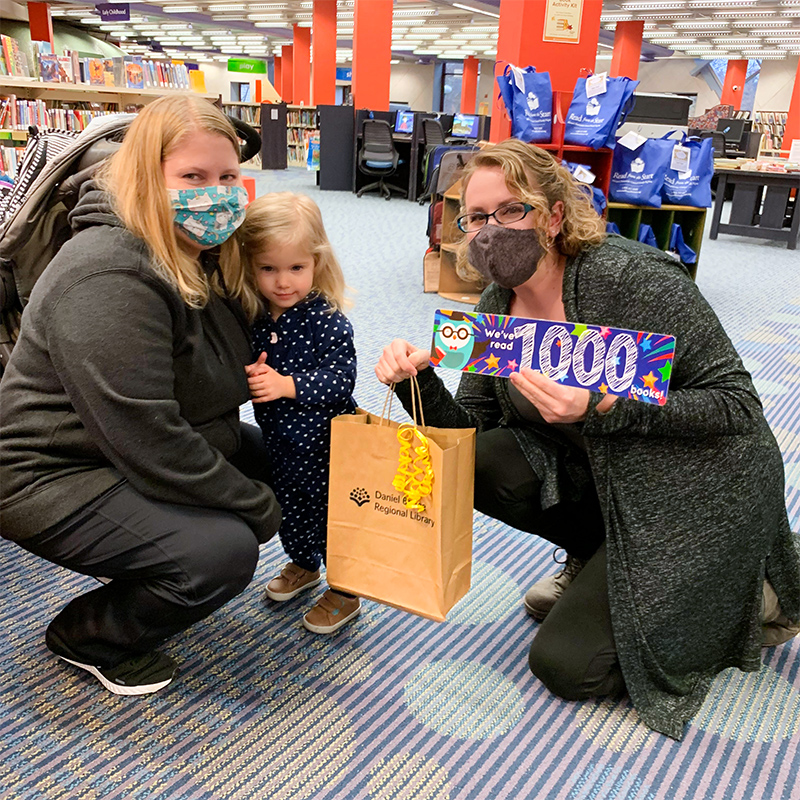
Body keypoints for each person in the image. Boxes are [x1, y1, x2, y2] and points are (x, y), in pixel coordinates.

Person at [374, 138, 800, 740]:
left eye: (511, 211)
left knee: (567, 668)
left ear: (552, 215)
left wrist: (605, 404)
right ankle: (600, 554)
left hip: (695, 490)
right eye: (474, 218)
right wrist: (419, 384)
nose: (490, 231)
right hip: (608, 480)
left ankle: (754, 589)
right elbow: (474, 437)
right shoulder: (499, 301)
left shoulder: (628, 280)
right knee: (483, 464)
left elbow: (736, 406)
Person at [0, 95, 282, 695]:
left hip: (126, 444)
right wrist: (252, 506)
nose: (217, 193)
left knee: (295, 451)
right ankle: (88, 637)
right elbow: (147, 436)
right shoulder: (108, 273)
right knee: (222, 553)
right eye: (192, 177)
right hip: (50, 472)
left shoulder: (199, 251)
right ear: (146, 181)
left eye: (228, 175)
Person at [239, 192, 360, 634]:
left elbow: (341, 380)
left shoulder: (326, 319)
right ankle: (304, 564)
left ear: (317, 263)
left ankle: (346, 590)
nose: (282, 281)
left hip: (328, 446)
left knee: (333, 518)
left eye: (296, 268)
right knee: (292, 511)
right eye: (268, 268)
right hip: (281, 443)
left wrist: (287, 385)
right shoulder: (255, 315)